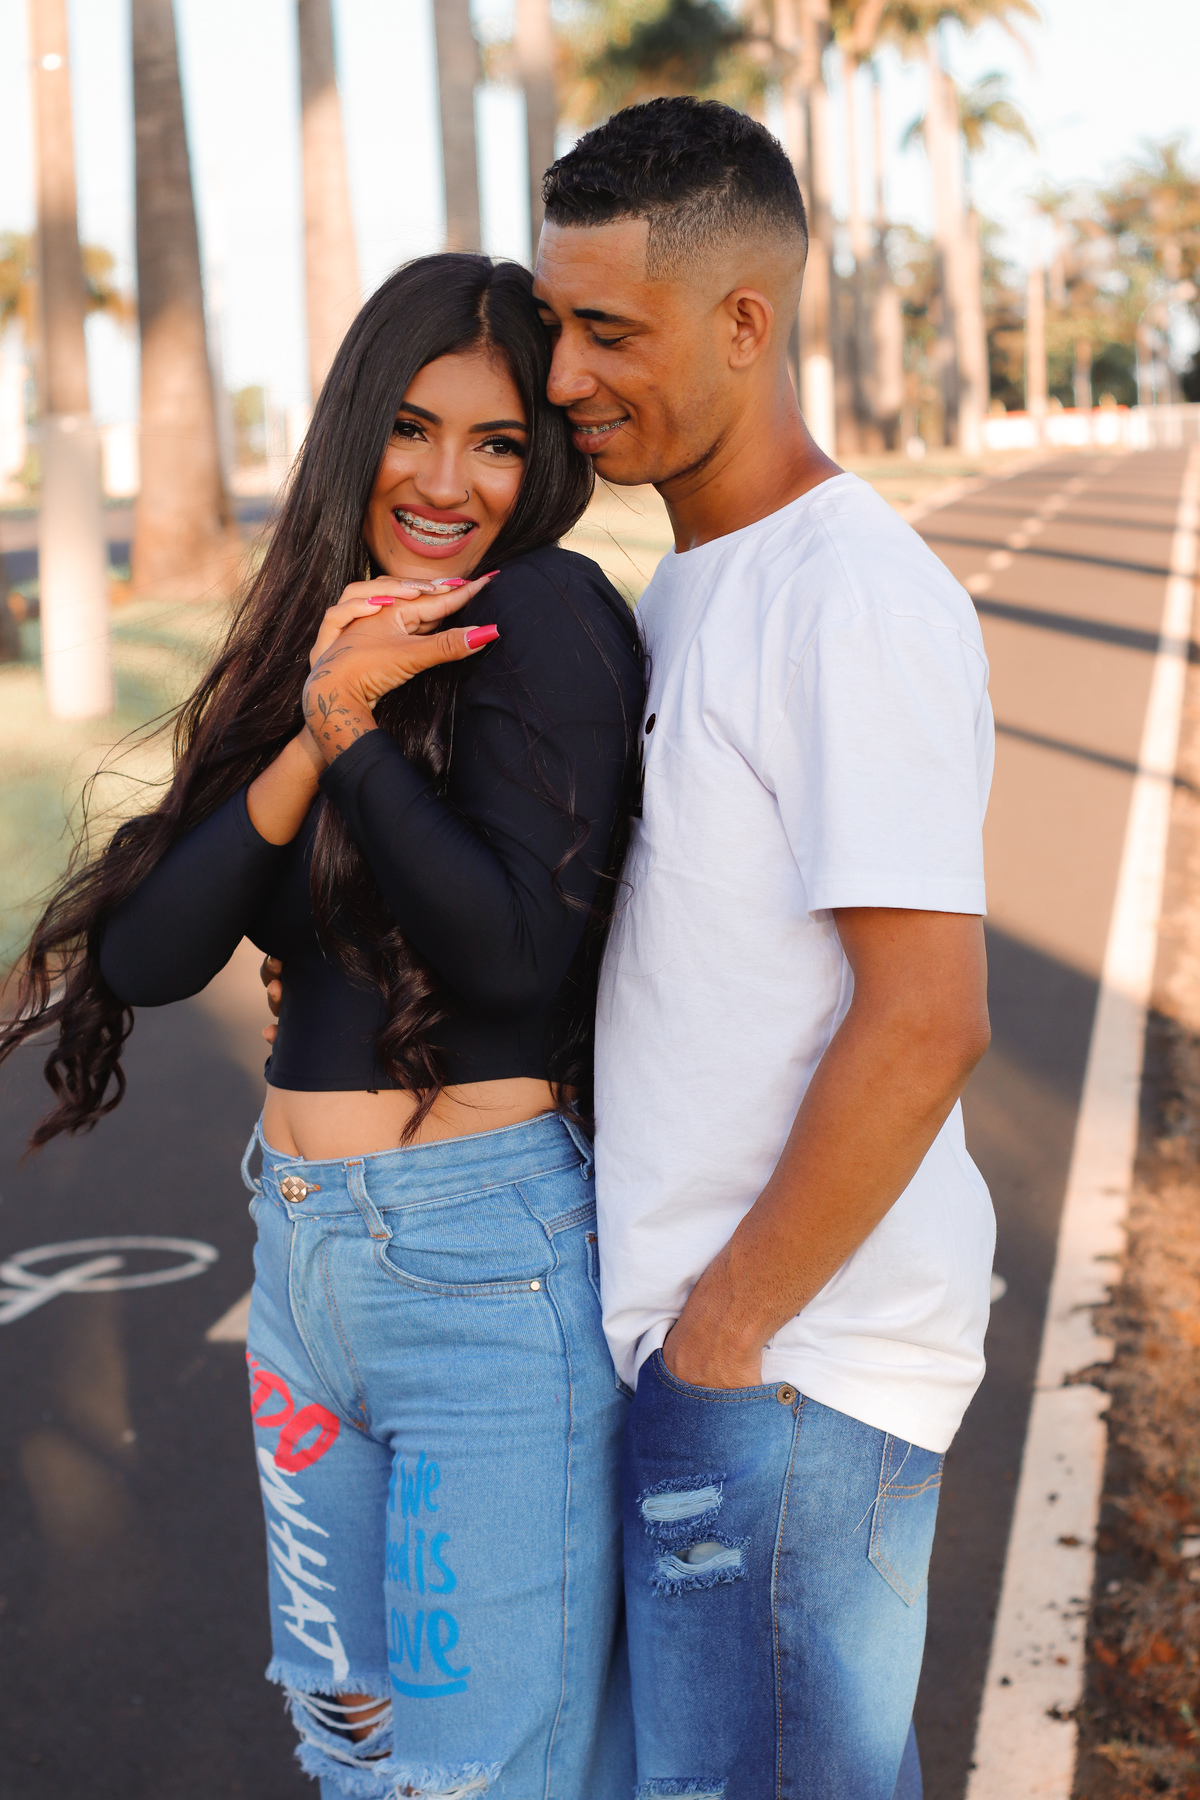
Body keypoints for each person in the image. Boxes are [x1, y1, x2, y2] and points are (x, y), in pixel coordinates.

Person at [1, 255, 644, 1798]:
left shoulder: (541, 611)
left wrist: (355, 736)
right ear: (356, 428)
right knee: (351, 1746)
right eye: (411, 428)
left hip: (484, 1264)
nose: (446, 481)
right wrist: (314, 717)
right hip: (300, 1263)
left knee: (480, 1773)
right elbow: (149, 954)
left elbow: (509, 958)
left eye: (496, 443)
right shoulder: (326, 630)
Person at [532, 99, 995, 1799]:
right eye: (554, 324)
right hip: (729, 1370)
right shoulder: (692, 587)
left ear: (744, 321)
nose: (563, 376)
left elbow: (927, 1017)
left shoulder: (845, 596)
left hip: (787, 1377)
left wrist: (721, 1345)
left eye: (608, 330)